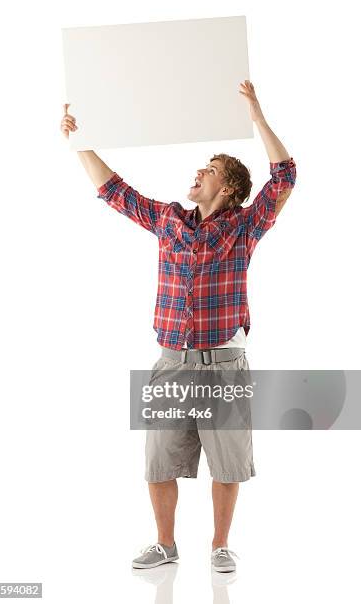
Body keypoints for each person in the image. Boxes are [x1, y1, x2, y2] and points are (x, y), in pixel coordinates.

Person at [60, 80, 297, 572]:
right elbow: (114, 191)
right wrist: (79, 142)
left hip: (225, 366)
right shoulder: (169, 221)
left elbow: (286, 175)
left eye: (208, 170)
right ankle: (165, 545)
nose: (198, 172)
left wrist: (255, 115)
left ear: (227, 188)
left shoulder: (243, 228)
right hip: (171, 363)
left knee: (227, 463)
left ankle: (219, 546)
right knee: (158, 460)